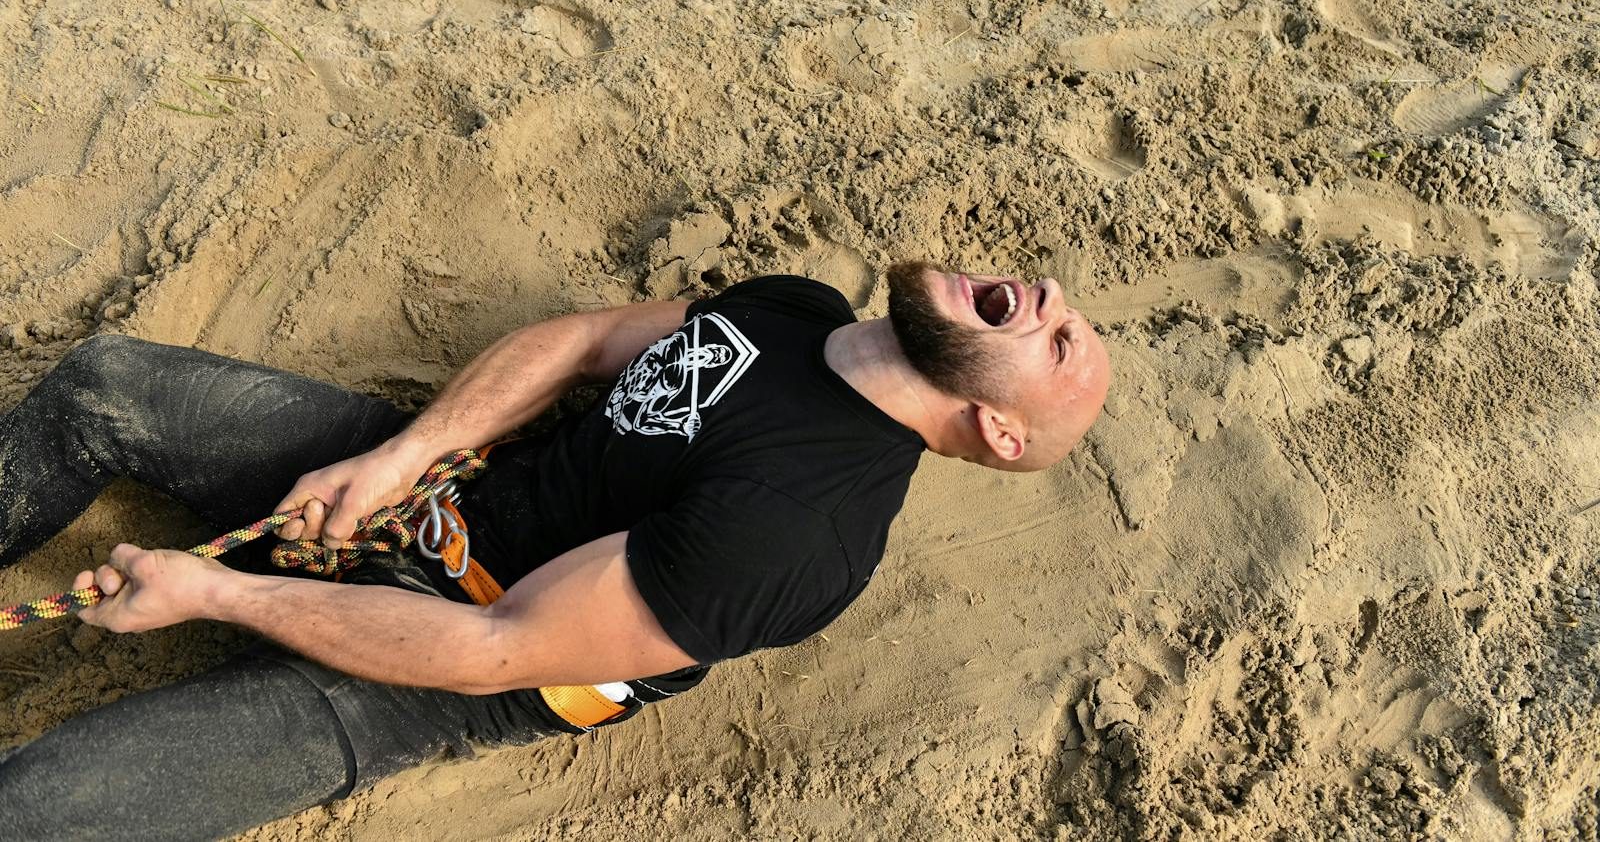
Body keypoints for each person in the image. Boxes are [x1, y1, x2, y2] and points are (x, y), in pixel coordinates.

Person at [0, 263, 1109, 839]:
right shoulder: (793, 308)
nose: (1048, 298)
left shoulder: (801, 534)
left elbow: (493, 648)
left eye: (1054, 340)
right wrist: (406, 453)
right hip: (437, 496)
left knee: (35, 807)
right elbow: (584, 341)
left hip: (430, 674)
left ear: (1000, 431)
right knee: (104, 384)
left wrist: (220, 592)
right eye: (1055, 301)